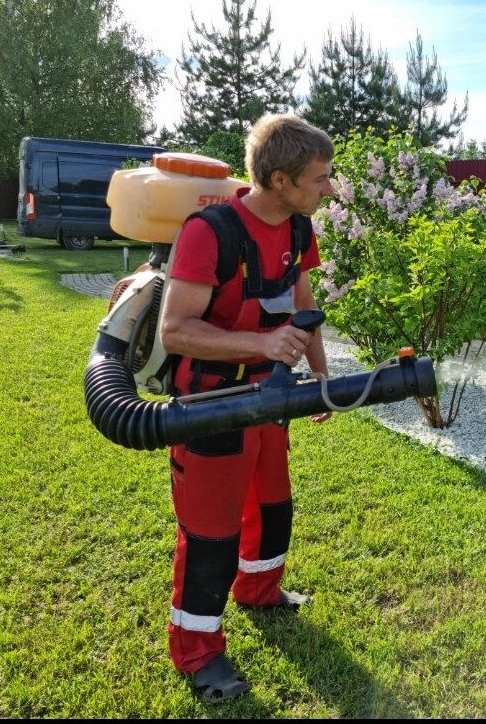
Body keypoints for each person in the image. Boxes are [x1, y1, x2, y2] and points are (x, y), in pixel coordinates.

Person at [158, 113, 335, 703]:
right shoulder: (210, 233)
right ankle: (198, 652)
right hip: (214, 403)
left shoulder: (297, 229)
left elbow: (303, 300)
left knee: (271, 502)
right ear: (280, 180)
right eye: (320, 178)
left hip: (271, 396)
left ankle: (259, 590)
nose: (329, 188)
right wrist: (261, 344)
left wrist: (320, 375)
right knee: (211, 532)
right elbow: (176, 330)